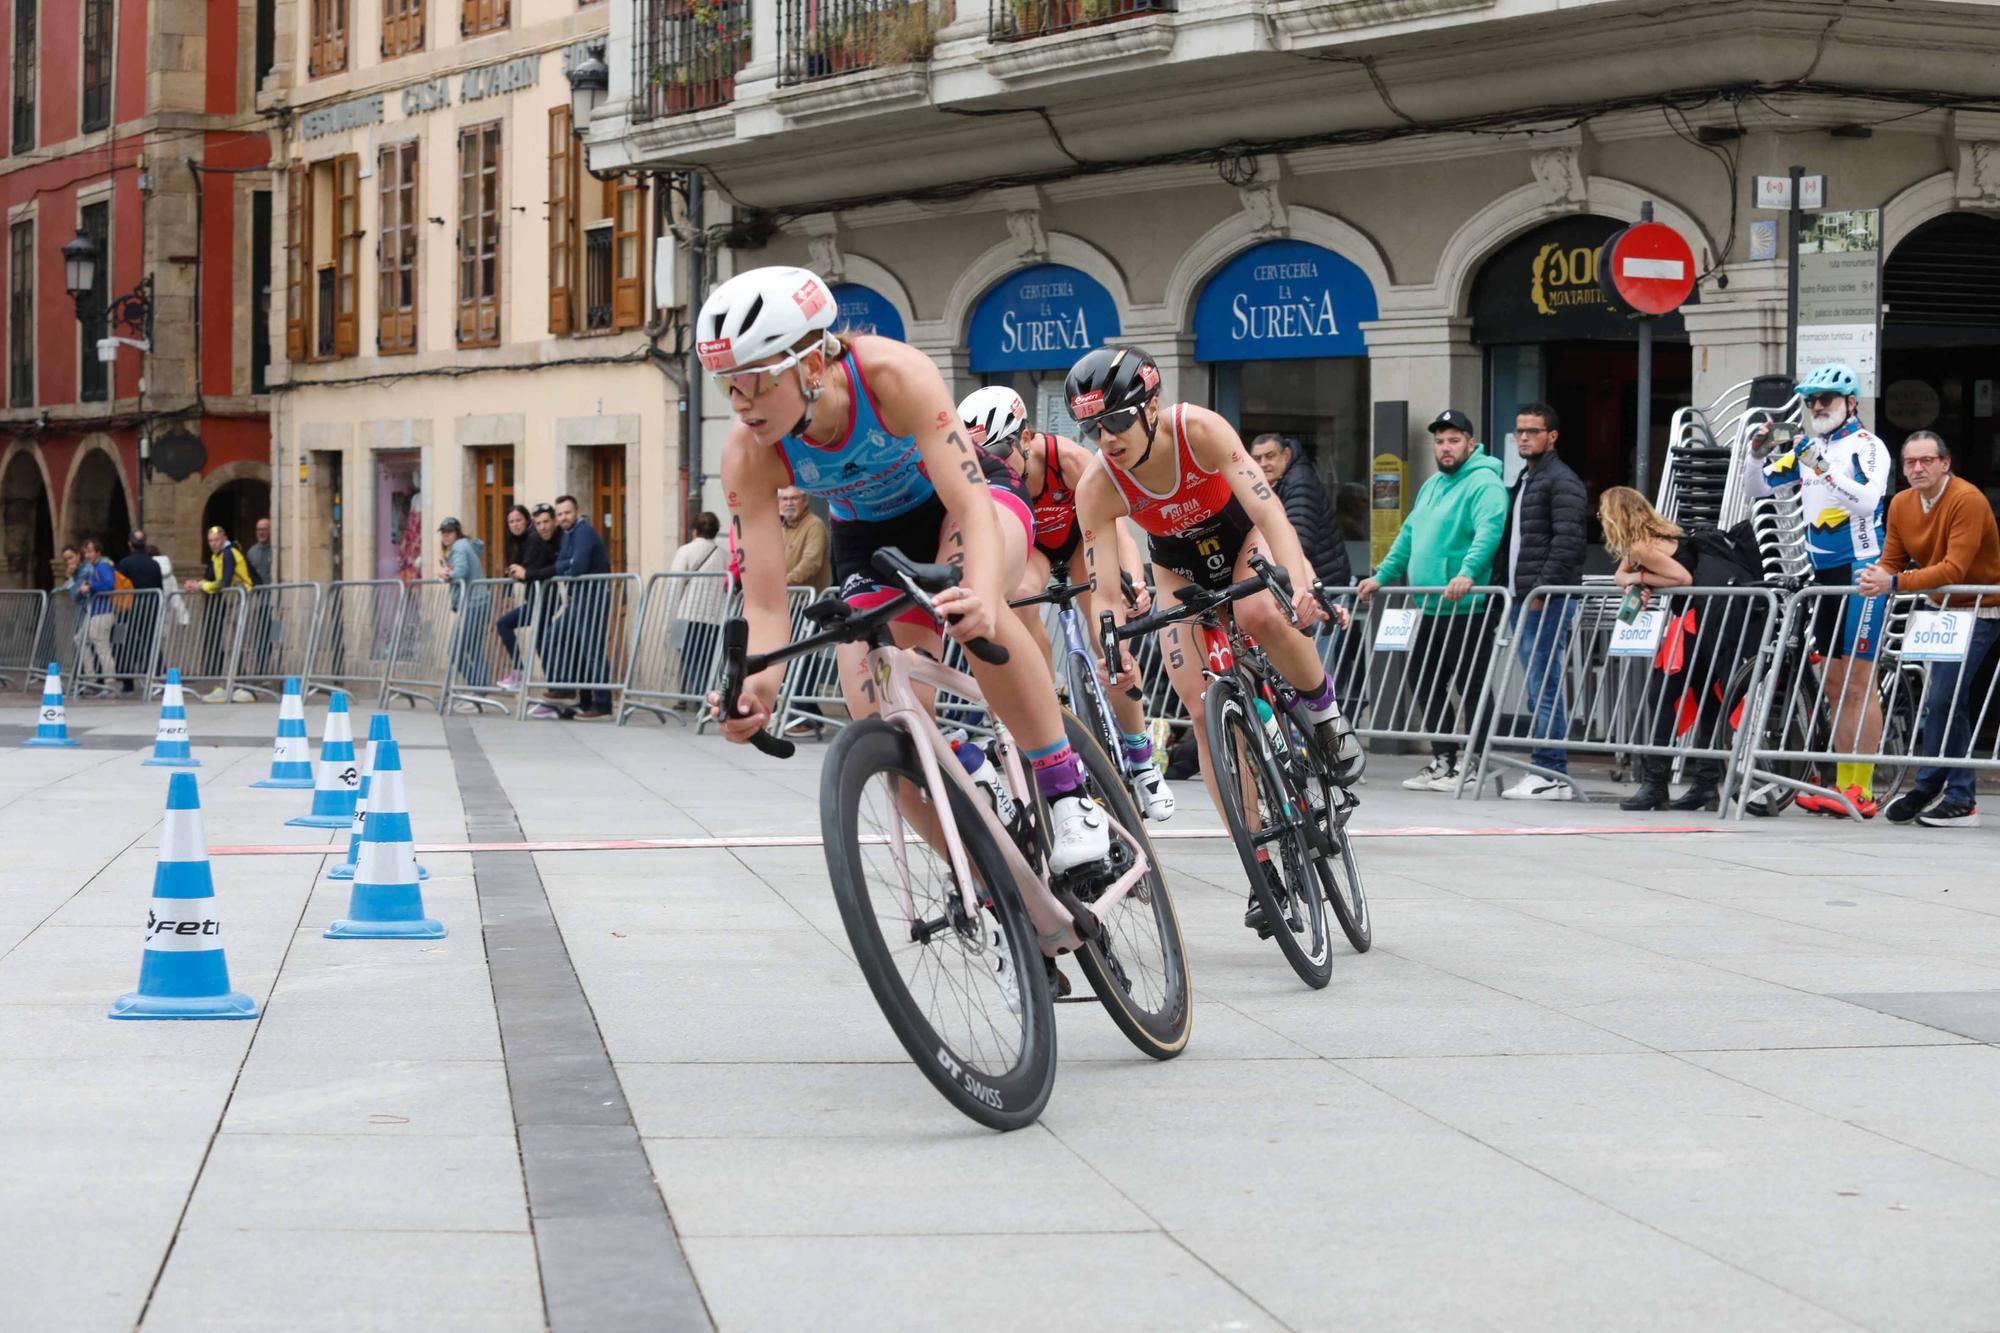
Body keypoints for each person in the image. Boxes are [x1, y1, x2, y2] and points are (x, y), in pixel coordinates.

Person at [701, 264, 1114, 874]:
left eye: (755, 382)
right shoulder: (747, 452)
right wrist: (756, 691)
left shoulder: (893, 375)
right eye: (726, 386)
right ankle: (1001, 902)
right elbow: (764, 605)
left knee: (978, 614)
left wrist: (977, 588)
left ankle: (1065, 788)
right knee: (879, 723)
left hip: (961, 501)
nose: (741, 405)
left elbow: (970, 503)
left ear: (813, 365)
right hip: (872, 535)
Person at [1069, 345, 1359, 930]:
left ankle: (1326, 718)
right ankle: (1259, 865)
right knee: (1203, 709)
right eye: (1093, 427)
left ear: (1151, 406)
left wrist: (1300, 580)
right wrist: (1113, 646)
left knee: (1261, 616)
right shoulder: (1098, 485)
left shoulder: (1197, 430)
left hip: (1241, 540)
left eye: (1118, 420)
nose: (1107, 438)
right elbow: (1101, 587)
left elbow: (1269, 509)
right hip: (1177, 569)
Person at [958, 385, 1175, 820]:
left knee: (1108, 639)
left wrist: (1133, 578)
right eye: (984, 456)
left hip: (1082, 542)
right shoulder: (988, 479)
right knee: (1017, 596)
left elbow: (1118, 530)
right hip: (1033, 546)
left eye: (1001, 450)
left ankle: (1142, 759)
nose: (994, 464)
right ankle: (1046, 684)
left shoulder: (1069, 459)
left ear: (1026, 437)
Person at [1743, 363, 1890, 817]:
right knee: (1831, 683)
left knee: (1859, 685)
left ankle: (1859, 787)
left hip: (1863, 569)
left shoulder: (1867, 446)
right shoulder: (1813, 448)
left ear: (1850, 403)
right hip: (1823, 576)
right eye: (1811, 400)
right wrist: (1755, 454)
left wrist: (1820, 467)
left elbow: (1868, 500)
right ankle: (1838, 784)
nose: (1817, 407)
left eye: (1826, 399)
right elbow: (1757, 489)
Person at [1356, 410, 1509, 792]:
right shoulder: (1432, 485)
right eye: (1440, 441)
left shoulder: (1485, 483)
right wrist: (1381, 576)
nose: (1445, 447)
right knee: (1424, 681)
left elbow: (1488, 533)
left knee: (1472, 685)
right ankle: (1444, 759)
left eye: (1454, 440)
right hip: (1430, 605)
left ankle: (1476, 763)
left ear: (1471, 444)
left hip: (1468, 606)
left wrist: (1467, 573)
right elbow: (1408, 536)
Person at [1860, 432, 2000, 828]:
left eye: (1926, 460)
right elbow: (1892, 559)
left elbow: (1955, 569)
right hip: (1941, 612)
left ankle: (1951, 794)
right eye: (1910, 463)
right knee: (1941, 700)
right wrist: (1876, 575)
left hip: (1982, 608)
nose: (1917, 468)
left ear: (1945, 463)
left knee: (1945, 697)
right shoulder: (1902, 503)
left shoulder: (1966, 499)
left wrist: (1896, 583)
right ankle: (1940, 785)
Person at [1601, 487, 1763, 812]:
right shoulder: (1656, 536)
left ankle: (1655, 784)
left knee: (1663, 696)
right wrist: (1635, 579)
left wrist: (1642, 577)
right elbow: (1621, 574)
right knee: (1708, 698)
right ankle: (1704, 784)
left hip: (1694, 622)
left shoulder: (1642, 546)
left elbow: (1682, 577)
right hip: (1711, 621)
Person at [1498, 403, 1590, 800]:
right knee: (1537, 685)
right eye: (1519, 431)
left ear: (1551, 436)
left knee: (1544, 684)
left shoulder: (1560, 480)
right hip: (1526, 596)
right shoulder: (1528, 478)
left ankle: (1550, 771)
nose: (1523, 438)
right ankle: (1546, 768)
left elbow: (1568, 543)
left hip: (1544, 599)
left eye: (1532, 432)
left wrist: (1541, 591)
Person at [544, 494, 613, 719]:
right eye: (560, 514)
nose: (563, 517)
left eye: (567, 512)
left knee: (593, 650)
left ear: (577, 512)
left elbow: (578, 567)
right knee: (554, 635)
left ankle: (602, 704)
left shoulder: (584, 532)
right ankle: (567, 688)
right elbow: (561, 564)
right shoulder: (567, 535)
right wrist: (567, 564)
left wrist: (567, 565)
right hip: (578, 597)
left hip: (593, 595)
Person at [183, 526, 255, 702]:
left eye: (216, 540)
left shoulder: (229, 553)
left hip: (242, 598)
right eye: (210, 541)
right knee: (230, 643)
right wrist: (197, 584)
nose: (213, 544)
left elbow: (224, 582)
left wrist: (201, 586)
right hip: (232, 601)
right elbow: (211, 578)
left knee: (241, 643)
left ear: (224, 538)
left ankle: (245, 687)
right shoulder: (217, 556)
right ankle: (231, 684)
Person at [667, 511, 730, 708]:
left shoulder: (685, 551)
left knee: (688, 657)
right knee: (707, 660)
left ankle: (706, 698)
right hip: (716, 617)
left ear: (694, 531)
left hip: (688, 613)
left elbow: (674, 585)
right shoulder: (725, 555)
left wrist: (670, 614)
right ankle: (692, 698)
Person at [496, 504, 556, 691]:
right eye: (511, 521)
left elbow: (531, 569)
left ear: (527, 520)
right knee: (542, 644)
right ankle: (553, 689)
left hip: (544, 600)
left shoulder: (533, 539)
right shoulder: (521, 541)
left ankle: (523, 674)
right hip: (537, 600)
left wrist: (523, 573)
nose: (514, 525)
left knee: (505, 624)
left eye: (518, 520)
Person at [438, 517, 490, 702]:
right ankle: (479, 692)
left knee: (454, 649)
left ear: (457, 532)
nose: (445, 536)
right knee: (475, 649)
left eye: (449, 532)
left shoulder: (459, 546)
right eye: (443, 532)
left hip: (473, 604)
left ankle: (478, 689)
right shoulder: (464, 545)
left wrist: (445, 575)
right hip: (477, 602)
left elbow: (461, 570)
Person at [115, 530, 165, 689]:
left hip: (129, 609)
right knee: (151, 642)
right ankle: (157, 675)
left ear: (129, 544)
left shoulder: (124, 563)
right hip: (152, 607)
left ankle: (127, 681)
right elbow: (160, 587)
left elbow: (118, 587)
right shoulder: (154, 564)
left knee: (124, 643)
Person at [74, 538, 118, 692]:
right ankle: (91, 678)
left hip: (103, 611)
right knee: (80, 639)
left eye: (90, 551)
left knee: (102, 647)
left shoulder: (103, 566)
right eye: (85, 552)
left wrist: (90, 587)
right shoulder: (96, 567)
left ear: (98, 552)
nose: (87, 555)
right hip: (95, 612)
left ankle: (109, 682)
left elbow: (109, 584)